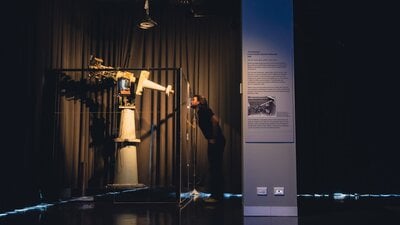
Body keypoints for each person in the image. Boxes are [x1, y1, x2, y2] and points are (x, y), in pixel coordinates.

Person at [191, 94, 226, 203]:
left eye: (193, 99)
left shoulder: (204, 110)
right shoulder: (199, 112)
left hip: (216, 141)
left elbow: (215, 120)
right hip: (215, 141)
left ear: (199, 102)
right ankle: (216, 195)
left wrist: (213, 137)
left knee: (215, 168)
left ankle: (216, 197)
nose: (191, 101)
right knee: (214, 167)